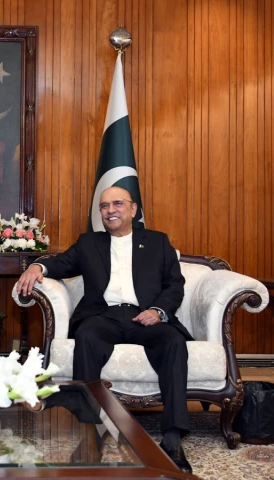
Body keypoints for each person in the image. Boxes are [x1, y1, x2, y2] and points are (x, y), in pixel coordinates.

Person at [16, 186, 193, 474]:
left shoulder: (158, 242)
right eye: (104, 206)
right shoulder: (89, 243)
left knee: (173, 341)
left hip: (145, 316)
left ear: (133, 209)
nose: (111, 210)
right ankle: (92, 433)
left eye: (117, 203)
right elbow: (61, 263)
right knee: (86, 336)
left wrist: (158, 311)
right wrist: (38, 268)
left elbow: (175, 285)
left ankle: (172, 439)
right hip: (103, 316)